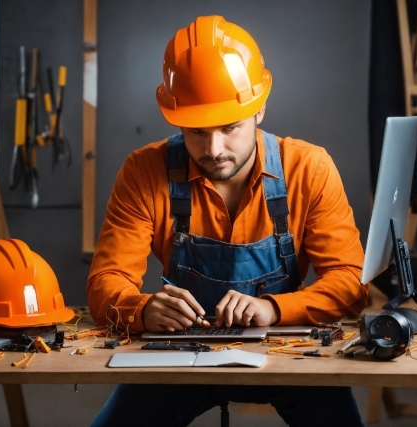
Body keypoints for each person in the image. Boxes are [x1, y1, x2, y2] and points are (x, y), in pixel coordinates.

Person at [88, 15, 369, 427]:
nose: (213, 148)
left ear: (259, 109)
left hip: (286, 352)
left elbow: (350, 284)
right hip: (179, 356)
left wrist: (274, 308)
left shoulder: (309, 168)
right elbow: (104, 283)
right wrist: (144, 309)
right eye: (197, 131)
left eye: (229, 128)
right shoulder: (144, 172)